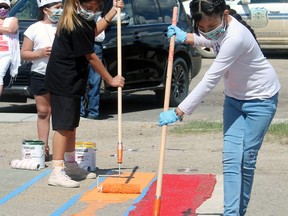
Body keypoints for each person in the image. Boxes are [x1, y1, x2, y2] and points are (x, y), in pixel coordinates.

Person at [159, 0, 280, 215]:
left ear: (224, 15)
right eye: (201, 27)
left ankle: (236, 212)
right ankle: (231, 213)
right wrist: (187, 37)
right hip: (234, 99)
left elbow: (210, 79)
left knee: (246, 160)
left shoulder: (236, 36)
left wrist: (179, 111)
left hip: (261, 99)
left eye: (211, 26)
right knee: (231, 159)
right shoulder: (218, 30)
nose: (207, 32)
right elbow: (210, 39)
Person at [44, 0, 125, 188]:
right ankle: (57, 170)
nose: (93, 11)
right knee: (63, 126)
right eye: (90, 7)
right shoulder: (74, 22)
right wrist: (110, 79)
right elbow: (91, 56)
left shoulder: (82, 19)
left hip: (74, 78)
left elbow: (94, 32)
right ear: (78, 3)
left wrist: (113, 11)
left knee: (71, 125)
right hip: (63, 78)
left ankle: (71, 164)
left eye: (96, 8)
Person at [20, 0, 63, 162]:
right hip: (40, 74)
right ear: (46, 10)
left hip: (61, 75)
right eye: (57, 8)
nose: (61, 10)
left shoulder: (65, 26)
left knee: (62, 113)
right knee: (43, 112)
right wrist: (39, 53)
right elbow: (24, 53)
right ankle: (43, 148)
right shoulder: (34, 28)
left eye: (61, 7)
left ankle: (63, 149)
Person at [80, 0, 105, 119]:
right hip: (81, 45)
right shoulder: (80, 14)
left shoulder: (98, 16)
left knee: (94, 80)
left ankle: (93, 111)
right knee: (80, 79)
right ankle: (79, 111)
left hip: (95, 46)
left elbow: (99, 35)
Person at [0, 0, 20, 96]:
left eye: (5, 7)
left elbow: (11, 30)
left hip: (6, 53)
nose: (2, 9)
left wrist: (5, 30)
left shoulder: (13, 19)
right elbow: (7, 30)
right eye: (0, 6)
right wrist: (4, 30)